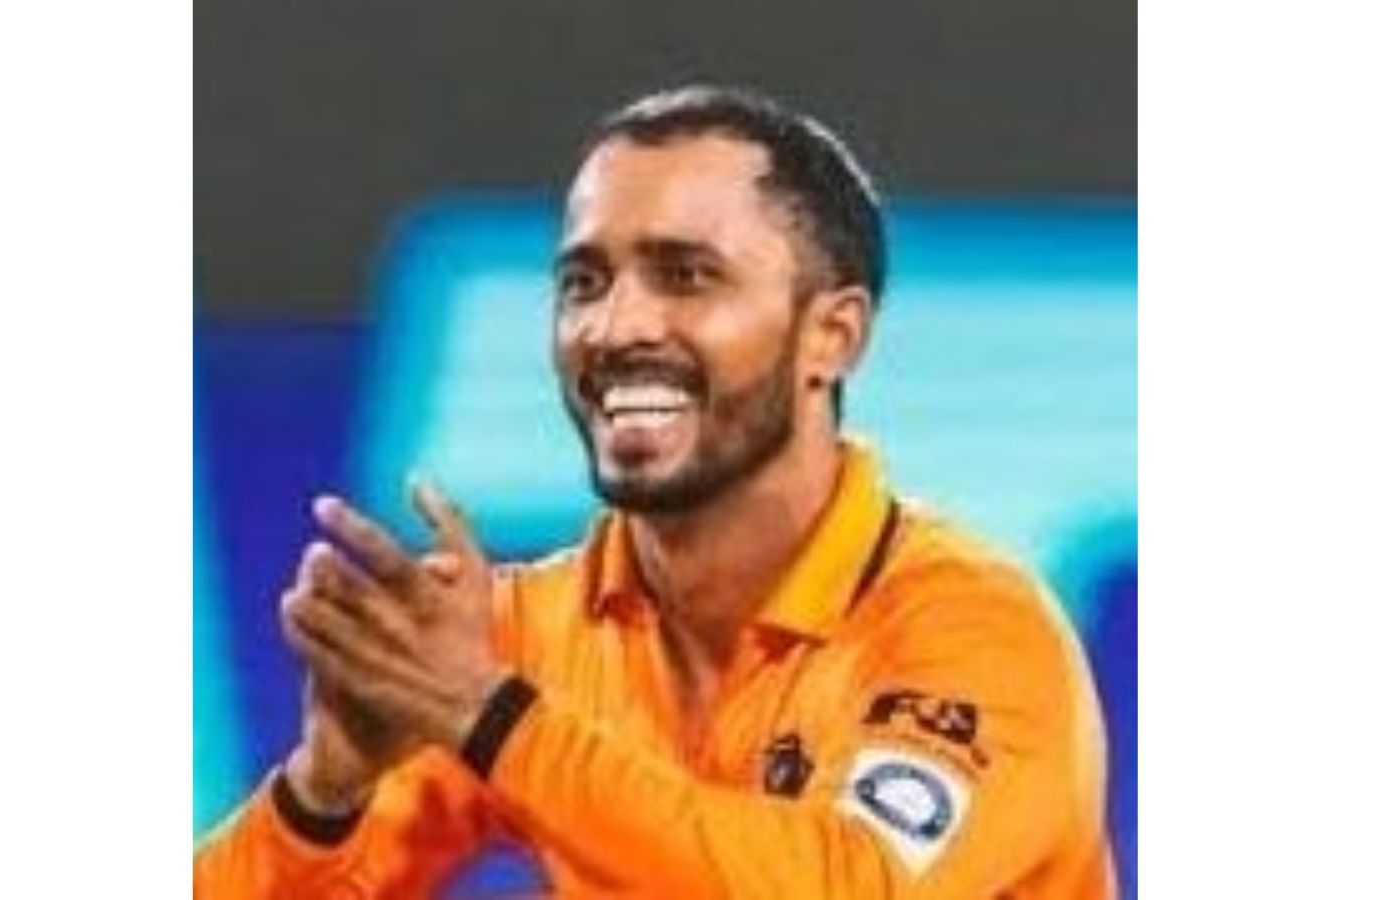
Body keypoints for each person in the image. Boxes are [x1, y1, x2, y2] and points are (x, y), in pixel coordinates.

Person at [193, 84, 1116, 898]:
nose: (615, 325)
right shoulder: (520, 637)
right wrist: (323, 796)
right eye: (584, 282)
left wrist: (495, 721)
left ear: (831, 336)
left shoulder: (971, 629)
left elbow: (846, 887)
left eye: (686, 276)